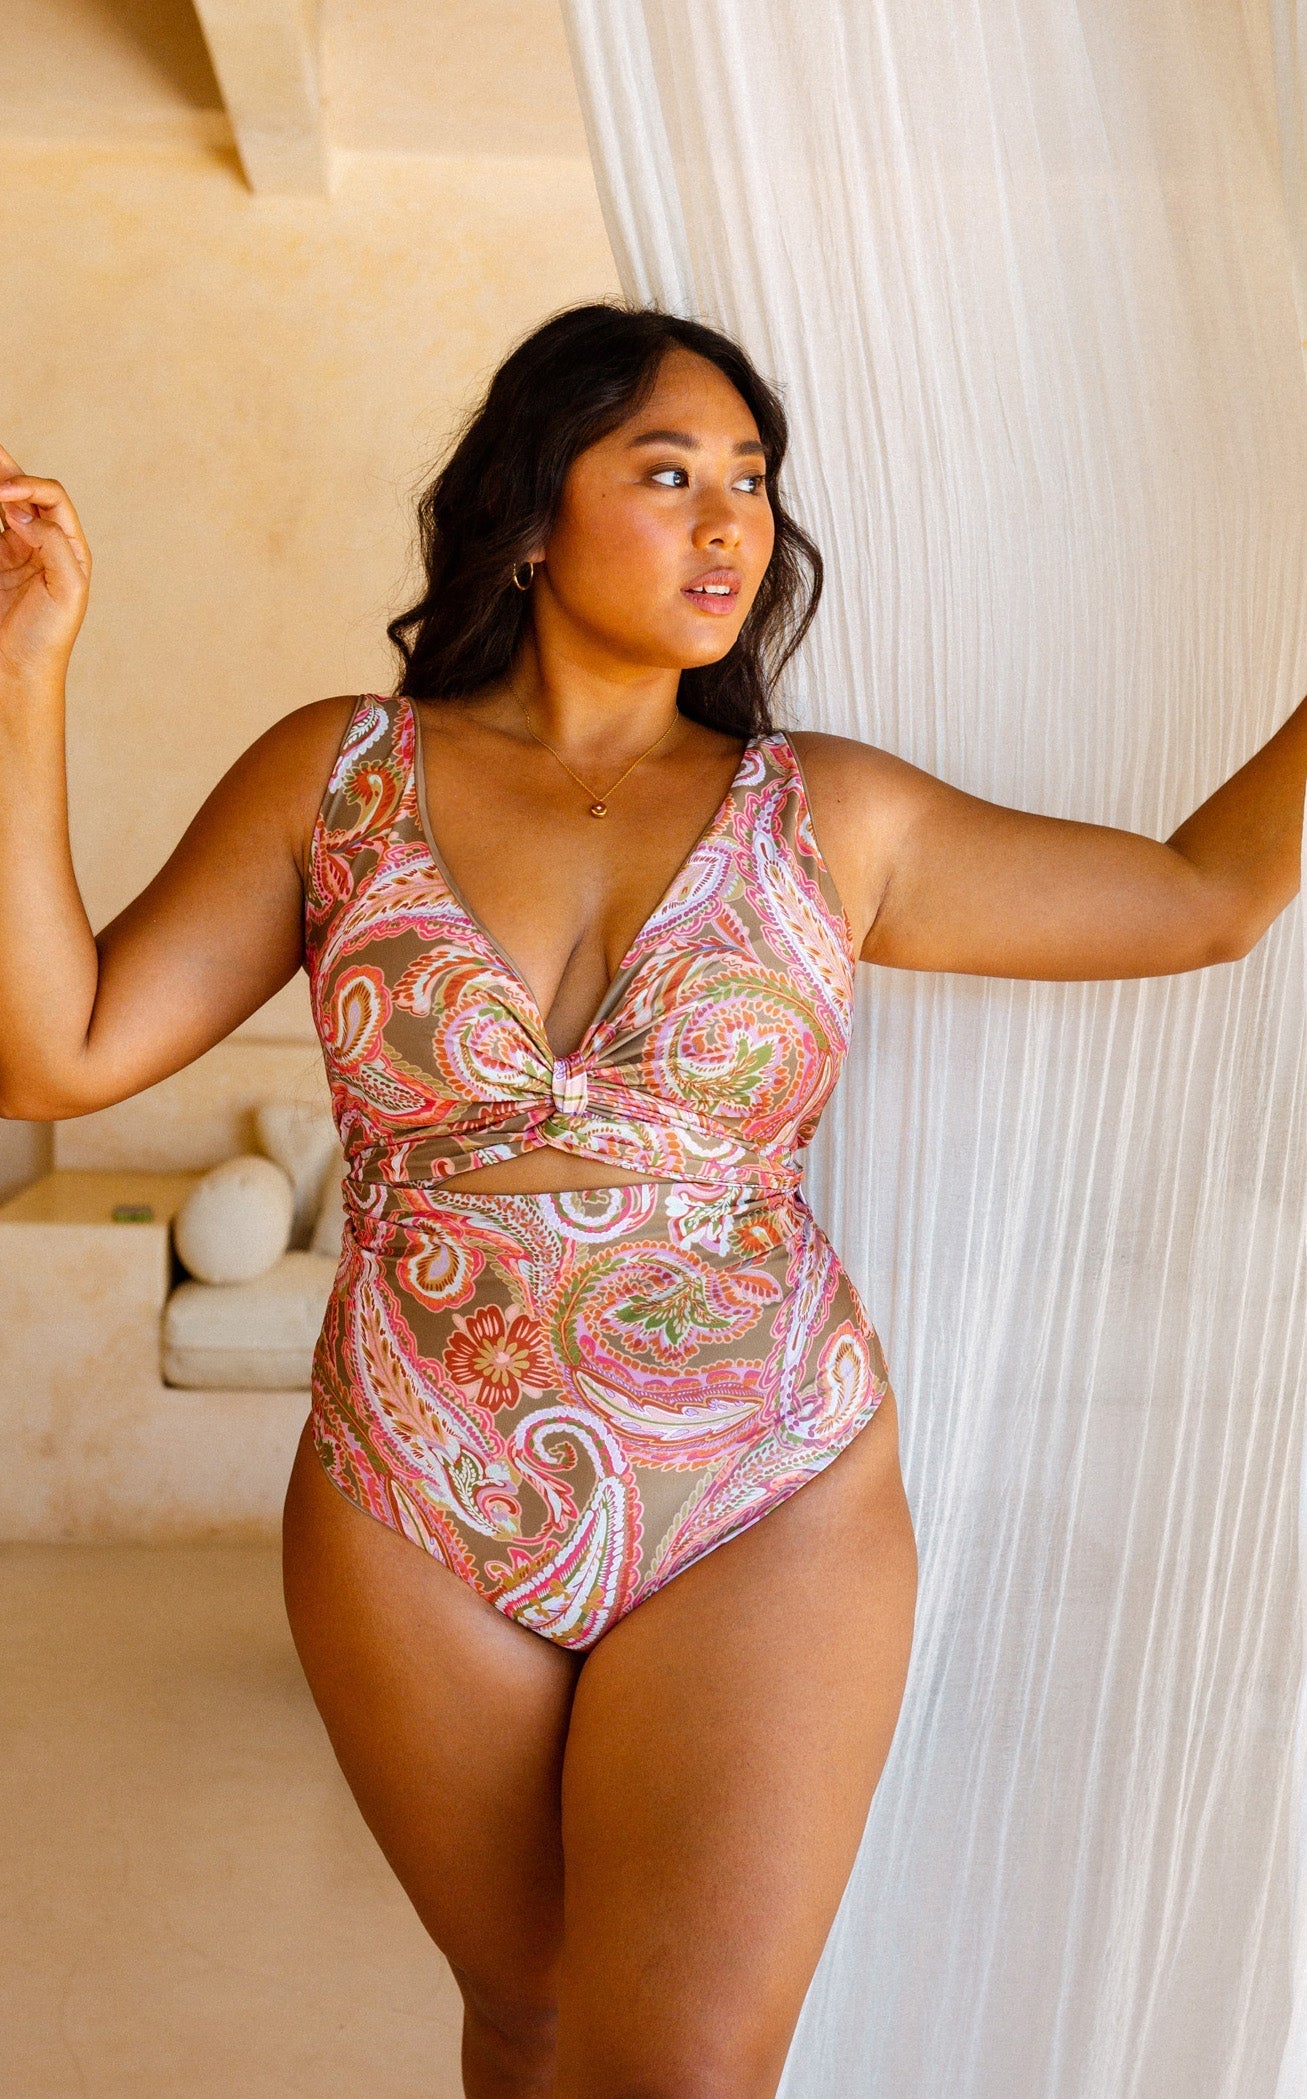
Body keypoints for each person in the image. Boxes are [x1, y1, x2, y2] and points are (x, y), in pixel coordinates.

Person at [0, 300, 1302, 2099]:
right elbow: (55, 1049)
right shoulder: (340, 774)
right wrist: (28, 672)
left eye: (751, 483)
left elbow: (1201, 896)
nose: (728, 526)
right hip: (412, 1478)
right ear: (532, 515)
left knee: (673, 2070)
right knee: (529, 2021)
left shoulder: (831, 818)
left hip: (760, 1479)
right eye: (668, 472)